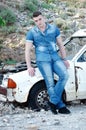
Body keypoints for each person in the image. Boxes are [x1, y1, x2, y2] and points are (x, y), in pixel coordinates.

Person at [25, 11, 71, 114]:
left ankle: (53, 102)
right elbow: (27, 50)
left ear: (44, 18)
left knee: (64, 75)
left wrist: (64, 59)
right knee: (50, 83)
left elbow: (60, 45)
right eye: (36, 21)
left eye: (40, 19)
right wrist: (29, 66)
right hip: (43, 60)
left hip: (55, 57)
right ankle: (61, 106)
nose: (38, 22)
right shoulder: (32, 32)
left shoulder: (54, 29)